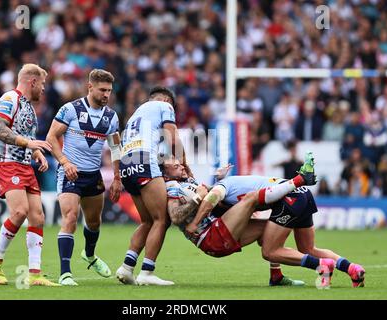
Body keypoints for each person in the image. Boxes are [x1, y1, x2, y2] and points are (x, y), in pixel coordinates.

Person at [189, 152, 365, 288]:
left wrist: (195, 223)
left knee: (269, 251)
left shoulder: (221, 188)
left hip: (290, 196)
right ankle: (353, 269)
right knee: (308, 248)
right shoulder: (228, 194)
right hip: (303, 194)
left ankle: (322, 265)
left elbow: (210, 200)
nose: (199, 191)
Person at [162, 157, 309, 286]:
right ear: (166, 175)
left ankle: (276, 276)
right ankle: (296, 181)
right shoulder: (172, 187)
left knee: (269, 230)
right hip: (210, 237)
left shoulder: (187, 180)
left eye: (180, 164)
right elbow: (175, 217)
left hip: (218, 229)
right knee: (251, 198)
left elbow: (209, 198)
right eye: (176, 167)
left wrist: (217, 181)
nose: (182, 167)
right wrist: (198, 197)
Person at [46, 69, 122, 286]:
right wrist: (65, 162)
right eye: (102, 90)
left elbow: (116, 148)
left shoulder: (111, 116)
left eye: (109, 90)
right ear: (90, 87)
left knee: (94, 222)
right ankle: (65, 273)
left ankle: (89, 255)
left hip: (93, 175)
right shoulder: (71, 109)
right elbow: (51, 137)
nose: (107, 94)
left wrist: (117, 177)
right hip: (70, 172)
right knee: (70, 218)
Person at [0, 63, 59, 286]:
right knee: (19, 212)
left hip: (25, 165)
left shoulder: (28, 107)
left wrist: (36, 152)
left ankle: (34, 274)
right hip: (7, 163)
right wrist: (28, 143)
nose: (44, 89)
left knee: (37, 217)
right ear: (33, 81)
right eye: (43, 84)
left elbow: (25, 135)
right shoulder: (10, 99)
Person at [116, 86, 190, 286]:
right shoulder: (164, 106)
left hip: (126, 162)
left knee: (147, 221)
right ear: (167, 101)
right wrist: (185, 164)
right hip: (143, 159)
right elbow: (172, 139)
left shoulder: (136, 114)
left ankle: (127, 267)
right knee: (161, 219)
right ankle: (147, 272)